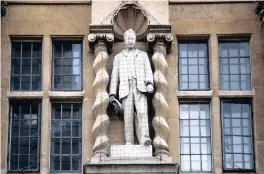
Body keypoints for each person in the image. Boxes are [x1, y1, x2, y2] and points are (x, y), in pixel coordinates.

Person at [109, 29, 154, 146]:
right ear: (124, 40)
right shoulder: (118, 57)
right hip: (125, 88)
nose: (130, 41)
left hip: (140, 87)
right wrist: (112, 94)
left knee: (142, 112)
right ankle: (129, 141)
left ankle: (145, 138)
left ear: (135, 40)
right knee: (128, 116)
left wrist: (149, 83)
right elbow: (114, 77)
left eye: (132, 39)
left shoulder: (143, 55)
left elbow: (148, 71)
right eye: (128, 39)